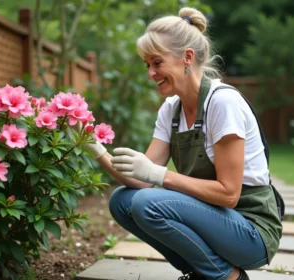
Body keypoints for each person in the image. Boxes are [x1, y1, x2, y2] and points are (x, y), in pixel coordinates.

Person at [81, 6, 283, 280]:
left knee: (145, 204)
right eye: (147, 65)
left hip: (250, 229)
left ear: (187, 57)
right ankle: (200, 272)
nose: (150, 72)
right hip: (215, 218)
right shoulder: (171, 110)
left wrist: (159, 175)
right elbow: (141, 182)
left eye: (157, 62)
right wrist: (94, 147)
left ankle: (228, 277)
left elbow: (229, 194)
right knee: (123, 202)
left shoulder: (222, 103)